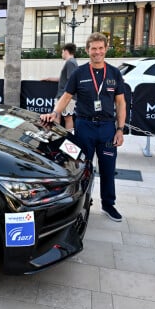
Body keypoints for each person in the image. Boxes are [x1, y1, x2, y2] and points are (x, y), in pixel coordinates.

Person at [40, 33, 126, 222]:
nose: (97, 52)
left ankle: (108, 204)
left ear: (105, 49)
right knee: (82, 168)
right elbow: (66, 97)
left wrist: (120, 129)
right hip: (84, 126)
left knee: (108, 168)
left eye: (100, 48)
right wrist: (54, 114)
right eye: (93, 48)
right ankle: (84, 203)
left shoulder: (114, 73)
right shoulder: (79, 73)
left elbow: (120, 103)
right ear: (88, 50)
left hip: (107, 128)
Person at [42, 43, 78, 130]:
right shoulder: (72, 62)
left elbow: (71, 81)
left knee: (67, 118)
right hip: (65, 96)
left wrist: (66, 95)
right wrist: (48, 78)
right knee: (58, 116)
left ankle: (66, 139)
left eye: (62, 52)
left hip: (66, 96)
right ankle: (58, 137)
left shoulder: (70, 62)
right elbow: (64, 79)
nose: (61, 54)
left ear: (65, 51)